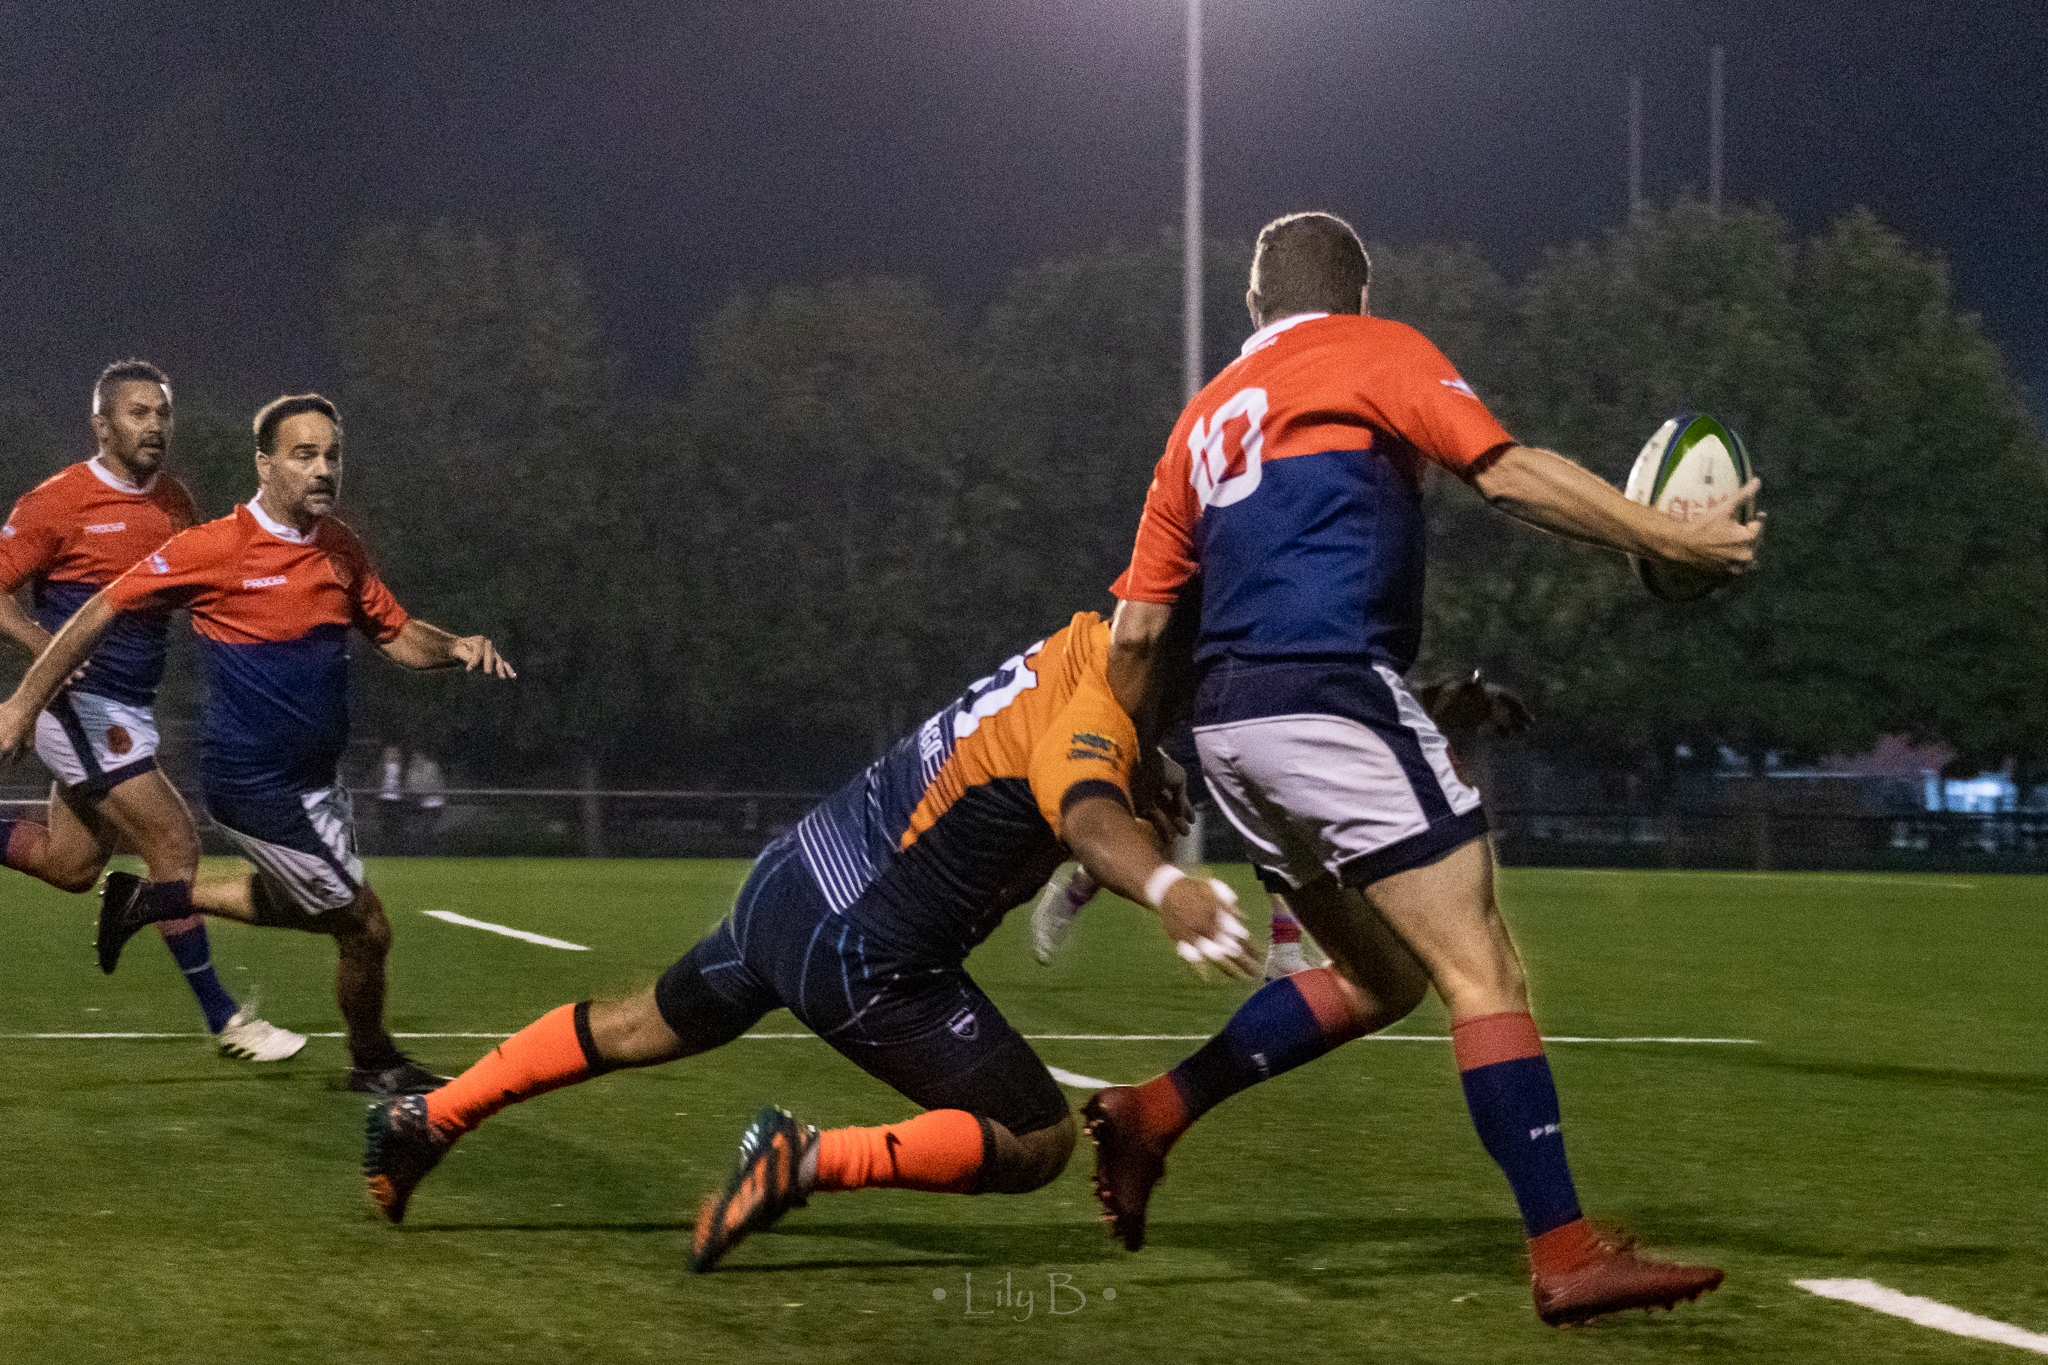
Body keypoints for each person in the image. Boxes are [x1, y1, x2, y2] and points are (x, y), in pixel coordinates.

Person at [1089, 212, 1761, 1327]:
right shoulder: (1374, 350)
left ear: (1252, 308)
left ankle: (1153, 1112)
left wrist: (1124, 769)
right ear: (1356, 294)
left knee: (1377, 980)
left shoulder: (1197, 422)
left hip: (1225, 731)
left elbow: (1135, 638)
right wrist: (1662, 535)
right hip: (1328, 698)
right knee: (1479, 969)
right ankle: (1564, 1253)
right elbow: (1506, 474)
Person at [360, 610, 1254, 1271]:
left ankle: (429, 1116)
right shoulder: (1094, 724)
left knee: (636, 1024)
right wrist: (1168, 887)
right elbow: (1089, 808)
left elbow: (1079, 766)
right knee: (1037, 1135)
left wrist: (1143, 770)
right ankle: (807, 1158)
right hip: (861, 947)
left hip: (789, 881)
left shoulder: (1082, 644)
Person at [0, 394, 516, 1095]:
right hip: (257, 786)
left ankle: (152, 900)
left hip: (319, 783)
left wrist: (455, 645)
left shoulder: (339, 546)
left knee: (329, 916)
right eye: (304, 454)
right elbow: (96, 611)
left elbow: (394, 631)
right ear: (265, 464)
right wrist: (24, 701)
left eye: (332, 454)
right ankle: (372, 1060)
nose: (323, 468)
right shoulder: (214, 547)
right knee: (365, 923)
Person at [0, 360, 302, 1061]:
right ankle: (228, 1020)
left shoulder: (173, 503)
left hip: (127, 710)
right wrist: (45, 647)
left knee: (72, 865)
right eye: (138, 413)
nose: (156, 426)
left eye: (162, 413)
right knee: (174, 843)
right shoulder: (58, 501)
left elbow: (195, 590)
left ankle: (128, 904)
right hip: (76, 704)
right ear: (102, 424)